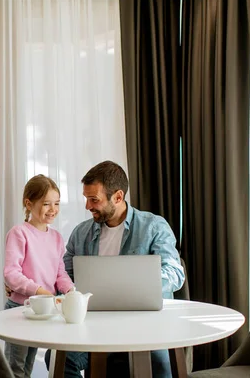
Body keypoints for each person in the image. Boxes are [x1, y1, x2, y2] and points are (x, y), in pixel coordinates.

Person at [43, 160, 185, 378]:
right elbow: (62, 276)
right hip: (94, 328)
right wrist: (31, 284)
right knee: (58, 358)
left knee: (159, 368)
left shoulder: (154, 226)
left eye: (94, 200)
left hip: (145, 330)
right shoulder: (81, 233)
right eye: (86, 198)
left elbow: (175, 273)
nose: (87, 206)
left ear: (118, 197)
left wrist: (137, 284)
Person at [3, 174, 75, 378]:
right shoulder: (19, 233)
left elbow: (59, 273)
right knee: (15, 368)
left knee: (28, 366)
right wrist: (40, 291)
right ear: (29, 203)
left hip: (43, 311)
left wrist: (70, 290)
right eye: (46, 204)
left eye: (57, 203)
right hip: (20, 310)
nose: (53, 209)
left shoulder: (56, 238)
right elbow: (11, 273)